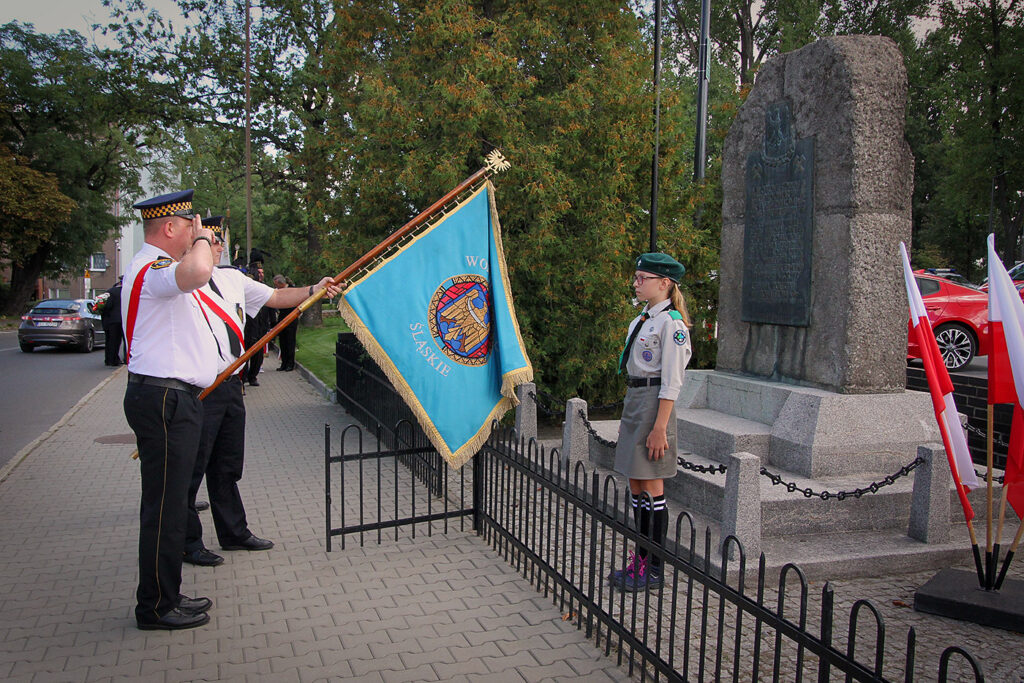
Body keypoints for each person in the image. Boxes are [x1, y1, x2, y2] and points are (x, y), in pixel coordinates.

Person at [183, 217, 341, 567]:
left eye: (219, 242)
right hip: (197, 388)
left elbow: (276, 297)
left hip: (229, 385)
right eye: (211, 241)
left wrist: (314, 289)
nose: (219, 247)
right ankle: (186, 541)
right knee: (190, 470)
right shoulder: (182, 278)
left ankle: (233, 532)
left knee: (227, 465)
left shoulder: (231, 278)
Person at [121, 189, 217, 630]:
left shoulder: (153, 270)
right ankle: (155, 606)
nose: (195, 237)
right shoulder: (154, 268)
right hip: (164, 399)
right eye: (189, 227)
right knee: (164, 506)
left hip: (171, 398)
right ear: (171, 227)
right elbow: (198, 270)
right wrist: (203, 239)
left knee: (175, 503)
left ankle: (167, 593)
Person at [609, 252, 692, 592]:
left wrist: (660, 428)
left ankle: (654, 566)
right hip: (635, 401)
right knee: (636, 485)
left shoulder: (672, 325)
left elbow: (672, 381)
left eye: (642, 278)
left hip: (655, 406)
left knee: (653, 488)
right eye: (636, 277)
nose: (636, 283)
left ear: (665, 283)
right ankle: (640, 557)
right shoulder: (642, 319)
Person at [243, 262, 273, 386]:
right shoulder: (248, 288)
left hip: (261, 327)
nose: (261, 275)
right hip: (248, 327)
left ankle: (253, 376)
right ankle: (243, 376)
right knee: (244, 355)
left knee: (258, 355)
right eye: (259, 273)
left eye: (262, 273)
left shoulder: (264, 288)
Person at [272, 274, 299, 371]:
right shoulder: (279, 291)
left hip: (291, 318)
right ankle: (283, 363)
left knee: (290, 341)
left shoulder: (292, 289)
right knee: (282, 341)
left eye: (276, 285)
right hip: (282, 318)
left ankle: (290, 363)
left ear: (281, 283)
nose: (276, 287)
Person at [101, 276, 124, 366]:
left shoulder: (111, 291)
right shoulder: (127, 292)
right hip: (123, 320)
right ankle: (118, 359)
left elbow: (107, 306)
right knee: (119, 341)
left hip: (112, 320)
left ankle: (110, 359)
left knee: (110, 341)